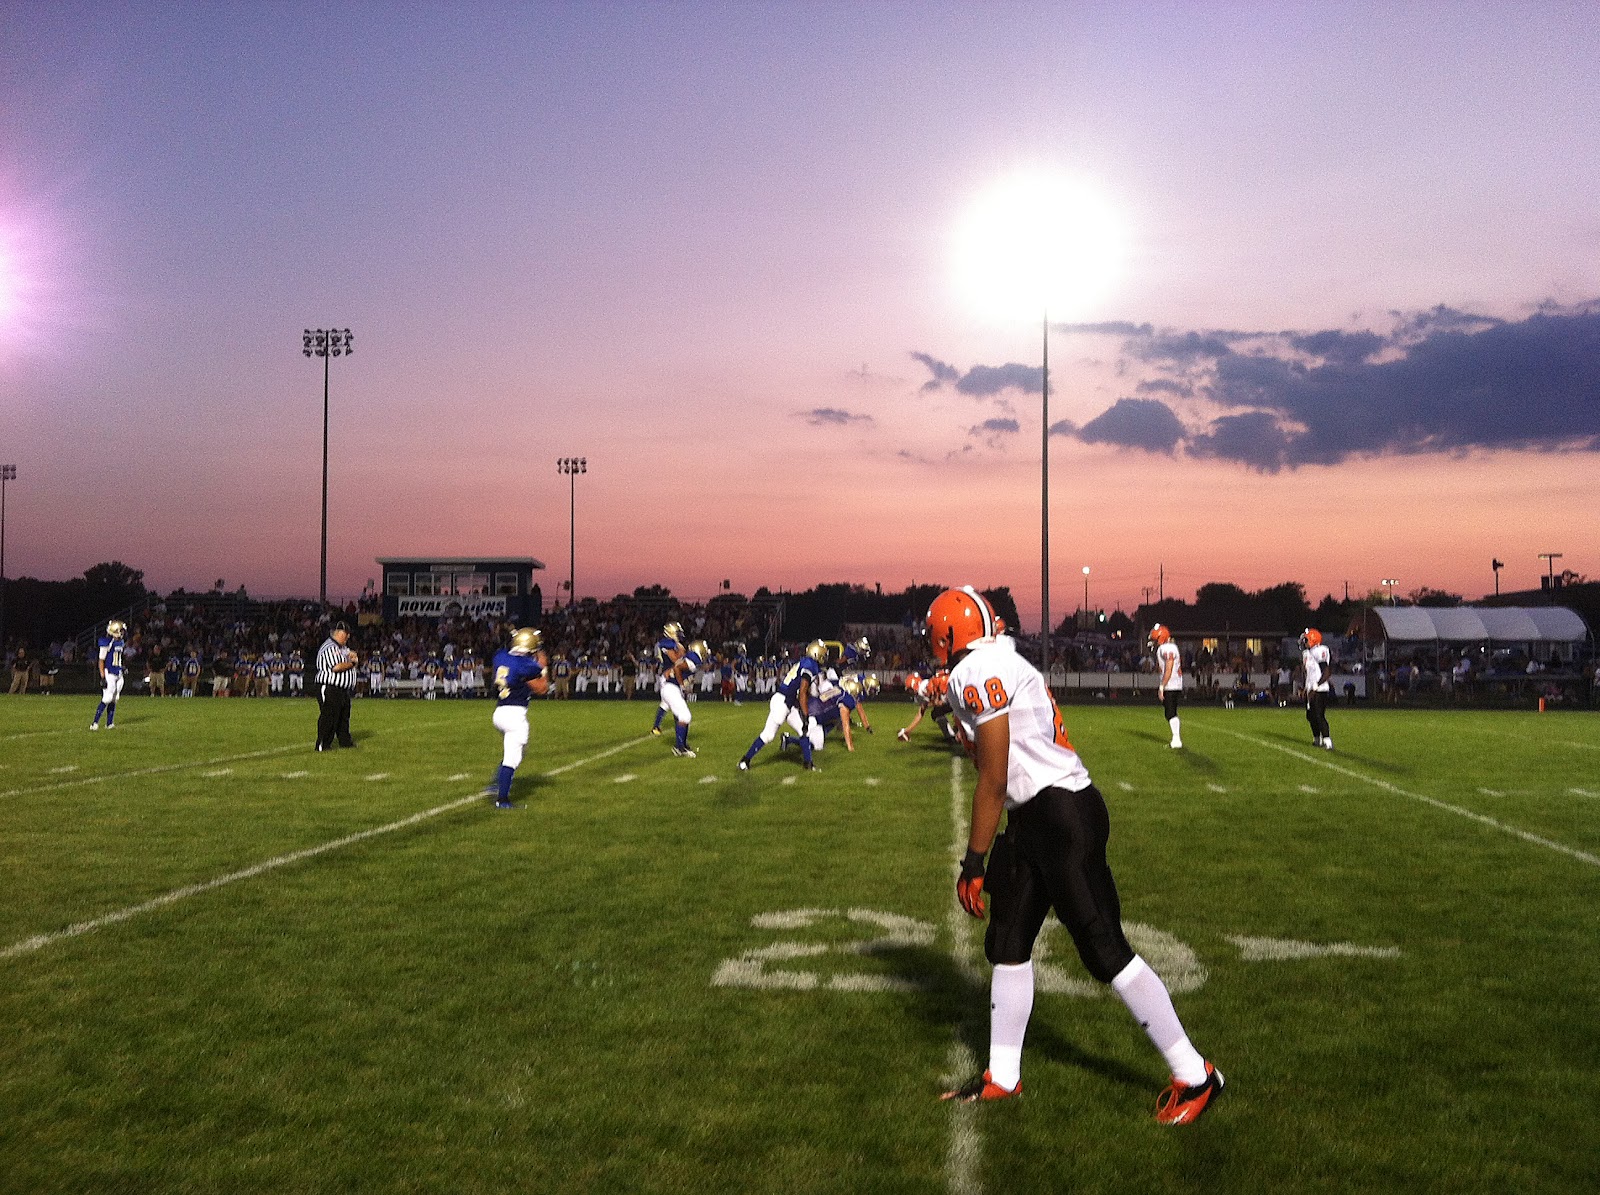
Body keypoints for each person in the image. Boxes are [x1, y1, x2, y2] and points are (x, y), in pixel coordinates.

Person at [930, 586, 1223, 1123]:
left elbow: (992, 775)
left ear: (948, 633)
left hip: (1061, 816)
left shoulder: (974, 673)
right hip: (1037, 816)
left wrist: (973, 861)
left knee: (1103, 947)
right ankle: (1004, 1075)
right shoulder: (995, 661)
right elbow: (1000, 756)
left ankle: (1195, 1074)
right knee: (1008, 940)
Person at [737, 638, 827, 771]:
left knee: (805, 730)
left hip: (789, 701)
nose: (824, 657)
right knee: (768, 735)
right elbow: (802, 692)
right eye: (823, 654)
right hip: (782, 702)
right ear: (816, 653)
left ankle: (808, 763)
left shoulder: (806, 662)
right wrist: (805, 714)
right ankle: (745, 761)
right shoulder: (810, 665)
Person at [486, 627, 549, 808]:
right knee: (512, 759)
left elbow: (512, 657)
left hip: (499, 712)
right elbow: (542, 687)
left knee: (516, 753)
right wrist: (543, 664)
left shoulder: (500, 656)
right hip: (515, 715)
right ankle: (502, 799)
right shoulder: (525, 665)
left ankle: (496, 784)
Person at [657, 637, 711, 758]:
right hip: (671, 687)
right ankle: (679, 747)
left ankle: (682, 745)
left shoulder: (693, 658)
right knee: (685, 716)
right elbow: (677, 668)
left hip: (670, 687)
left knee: (681, 717)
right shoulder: (694, 658)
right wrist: (682, 685)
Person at [314, 621, 360, 750]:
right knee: (329, 715)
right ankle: (323, 744)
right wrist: (352, 663)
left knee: (343, 717)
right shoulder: (329, 647)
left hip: (342, 689)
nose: (348, 637)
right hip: (329, 686)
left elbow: (350, 655)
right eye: (346, 634)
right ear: (339, 633)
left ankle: (345, 742)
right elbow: (336, 667)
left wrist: (352, 655)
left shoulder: (342, 648)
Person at [1150, 623, 1183, 749]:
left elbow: (1168, 668)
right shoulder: (1172, 647)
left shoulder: (1166, 649)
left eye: (1155, 639)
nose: (1154, 642)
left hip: (1171, 684)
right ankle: (1176, 739)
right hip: (1176, 683)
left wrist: (1162, 686)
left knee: (1170, 713)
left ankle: (1176, 740)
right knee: (1171, 712)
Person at [89, 621, 127, 729]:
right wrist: (102, 676)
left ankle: (109, 723)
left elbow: (118, 658)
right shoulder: (107, 642)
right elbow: (101, 660)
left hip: (118, 672)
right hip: (109, 672)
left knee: (115, 698)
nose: (122, 633)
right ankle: (95, 723)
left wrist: (122, 667)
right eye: (120, 631)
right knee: (107, 698)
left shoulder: (121, 642)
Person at [1301, 628, 1333, 749]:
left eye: (1306, 639)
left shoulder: (1319, 651)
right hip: (1311, 688)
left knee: (1319, 715)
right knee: (1310, 716)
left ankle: (1327, 741)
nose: (1304, 642)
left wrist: (1316, 685)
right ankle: (1317, 738)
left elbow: (1327, 671)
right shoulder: (1306, 653)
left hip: (1320, 689)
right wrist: (1307, 687)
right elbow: (1309, 673)